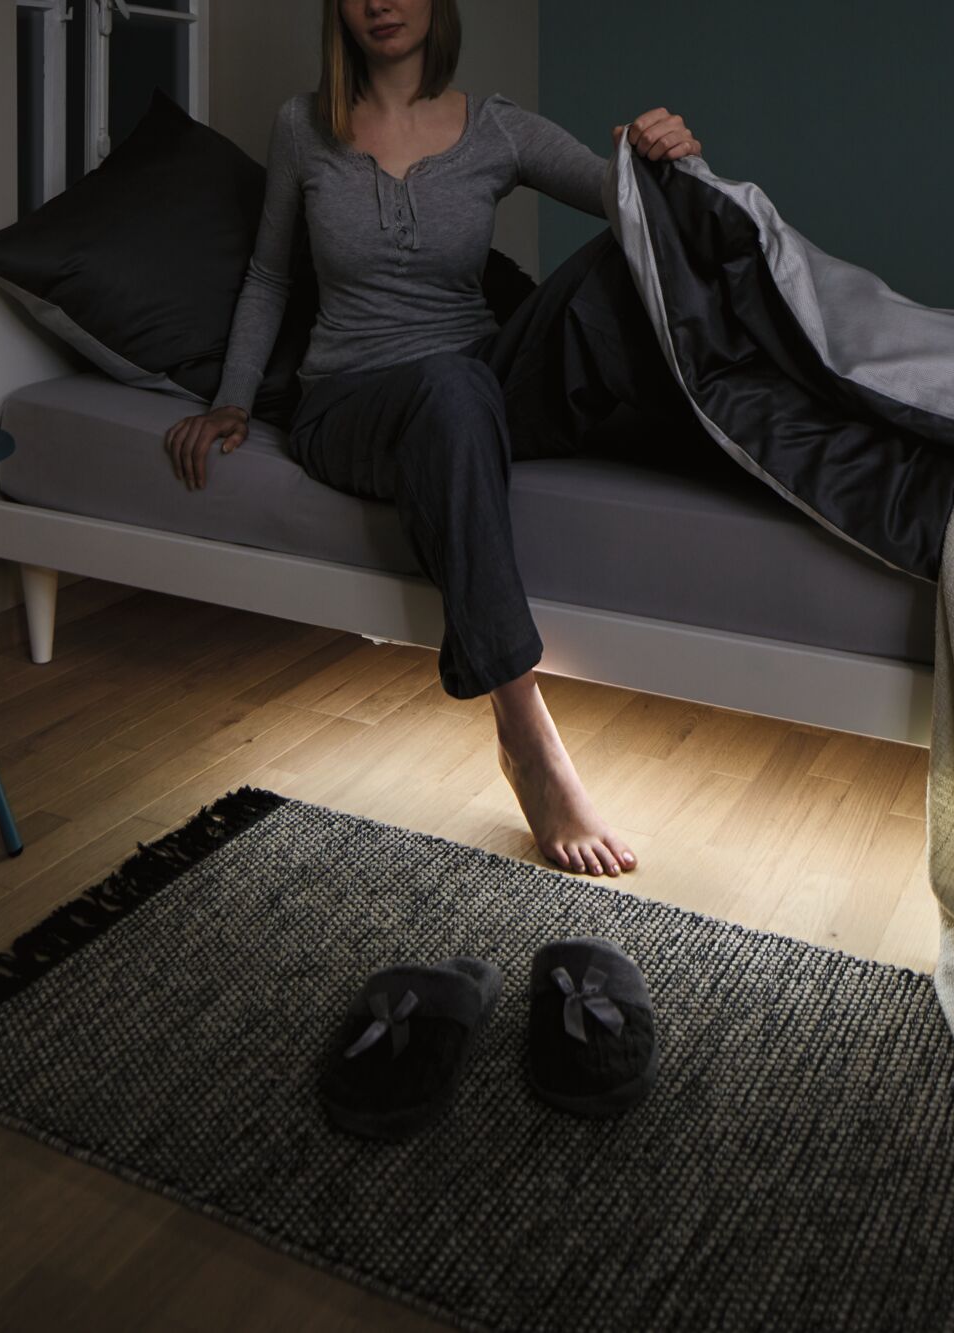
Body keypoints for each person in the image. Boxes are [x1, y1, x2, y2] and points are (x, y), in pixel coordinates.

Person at [163, 0, 703, 877]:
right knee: (454, 388)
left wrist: (664, 154)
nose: (382, 1)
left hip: (475, 377)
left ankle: (742, 436)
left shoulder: (497, 129)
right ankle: (525, 731)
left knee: (604, 275)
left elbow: (630, 203)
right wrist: (231, 398)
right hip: (350, 400)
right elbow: (269, 273)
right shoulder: (303, 128)